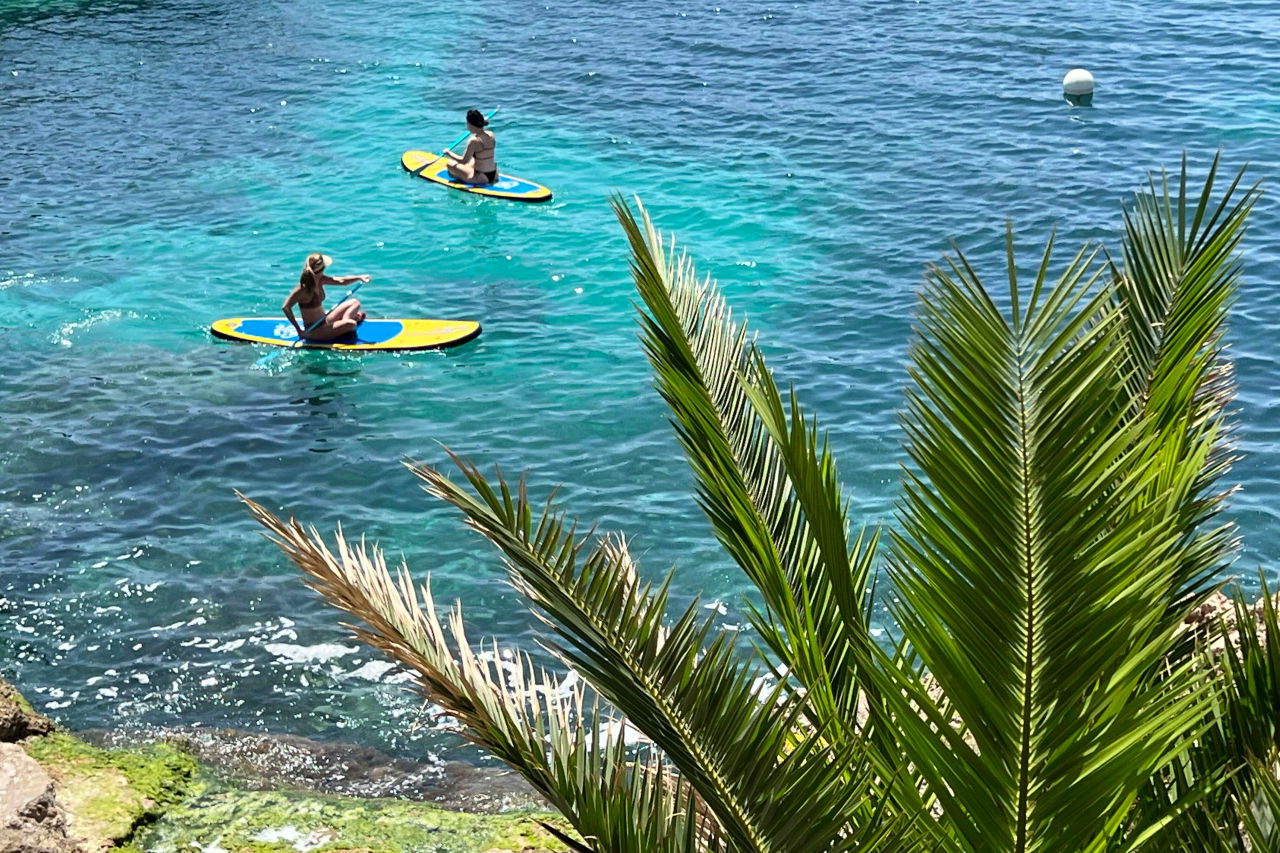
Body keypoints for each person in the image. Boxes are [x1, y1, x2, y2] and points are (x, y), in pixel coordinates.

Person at [282, 253, 370, 341]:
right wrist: (299, 330)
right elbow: (286, 307)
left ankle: (343, 323)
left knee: (355, 302)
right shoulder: (302, 289)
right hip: (314, 330)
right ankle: (346, 323)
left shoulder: (321, 279)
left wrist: (359, 277)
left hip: (325, 319)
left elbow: (342, 281)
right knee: (352, 324)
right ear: (322, 269)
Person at [443, 109, 497, 185]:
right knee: (475, 159)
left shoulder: (473, 141)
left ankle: (460, 176)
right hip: (494, 175)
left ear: (471, 125)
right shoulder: (491, 134)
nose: (467, 127)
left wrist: (448, 153)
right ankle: (466, 172)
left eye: (467, 124)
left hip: (480, 178)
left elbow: (463, 160)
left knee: (450, 164)